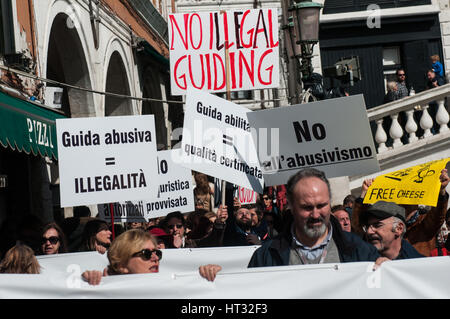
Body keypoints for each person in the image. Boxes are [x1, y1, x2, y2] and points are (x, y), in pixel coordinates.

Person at [247, 168, 383, 268]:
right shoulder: (265, 257)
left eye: (321, 205)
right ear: (292, 208)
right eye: (307, 207)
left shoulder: (360, 251)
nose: (316, 215)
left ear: (330, 203)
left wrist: (386, 272)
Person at [352, 168, 449, 256]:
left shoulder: (424, 222)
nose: (403, 200)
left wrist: (441, 191)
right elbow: (358, 227)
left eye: (406, 196)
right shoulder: (387, 220)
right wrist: (363, 195)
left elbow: (438, 216)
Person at [82, 229, 222, 284]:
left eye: (157, 253)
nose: (155, 258)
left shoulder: (174, 286)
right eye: (146, 254)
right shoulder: (100, 288)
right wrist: (86, 285)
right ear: (122, 265)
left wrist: (213, 276)